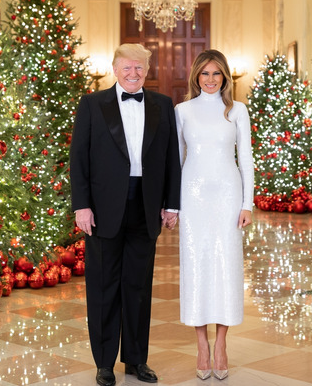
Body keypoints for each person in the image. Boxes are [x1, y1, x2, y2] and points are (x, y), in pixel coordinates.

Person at [70, 43, 182, 386]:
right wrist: (81, 205)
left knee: (137, 287)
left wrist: (172, 202)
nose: (133, 74)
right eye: (126, 68)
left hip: (146, 206)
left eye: (139, 68)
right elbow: (79, 158)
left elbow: (171, 158)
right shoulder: (92, 104)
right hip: (102, 209)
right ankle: (104, 364)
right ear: (115, 69)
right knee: (104, 287)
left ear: (147, 71)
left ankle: (136, 360)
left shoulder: (164, 105)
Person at [174, 49, 253, 381]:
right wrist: (172, 205)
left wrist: (247, 203)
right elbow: (175, 161)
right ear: (196, 76)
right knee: (196, 267)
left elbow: (246, 159)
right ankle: (201, 345)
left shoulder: (237, 111)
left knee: (225, 267)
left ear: (225, 77)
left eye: (216, 74)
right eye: (204, 74)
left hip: (228, 196)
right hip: (192, 197)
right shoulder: (181, 111)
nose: (210, 80)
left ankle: (221, 344)